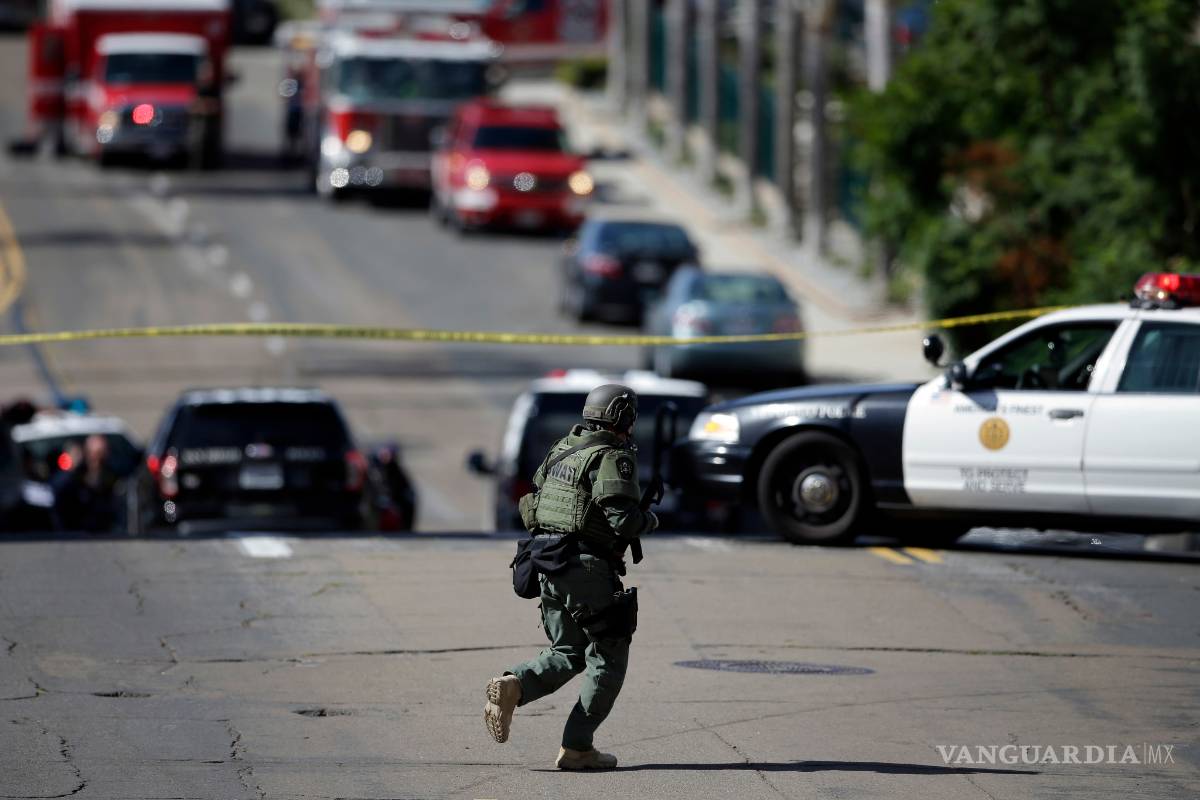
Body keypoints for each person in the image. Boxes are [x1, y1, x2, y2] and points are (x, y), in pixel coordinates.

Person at [483, 384, 658, 770]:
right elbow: (624, 520)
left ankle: (515, 686)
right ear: (623, 418)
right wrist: (650, 518)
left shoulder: (563, 449)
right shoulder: (611, 457)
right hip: (586, 568)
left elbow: (531, 504)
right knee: (609, 655)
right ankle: (577, 747)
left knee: (568, 652)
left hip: (546, 562)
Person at [51, 435, 118, 532]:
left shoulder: (110, 476)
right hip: (77, 532)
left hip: (103, 532)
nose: (96, 459)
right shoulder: (74, 476)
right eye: (93, 453)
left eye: (100, 453)